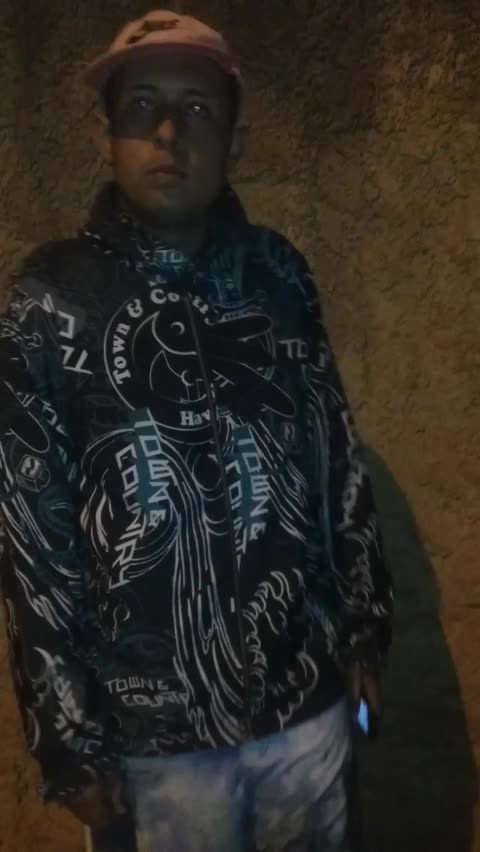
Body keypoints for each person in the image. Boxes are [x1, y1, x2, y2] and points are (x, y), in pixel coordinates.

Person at [0, 10, 392, 852]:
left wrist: (365, 630)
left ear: (235, 142)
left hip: (306, 720)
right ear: (105, 134)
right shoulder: (50, 298)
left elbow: (334, 457)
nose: (170, 133)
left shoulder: (279, 274)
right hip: (152, 753)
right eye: (142, 106)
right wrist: (65, 736)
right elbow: (33, 534)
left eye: (199, 109)